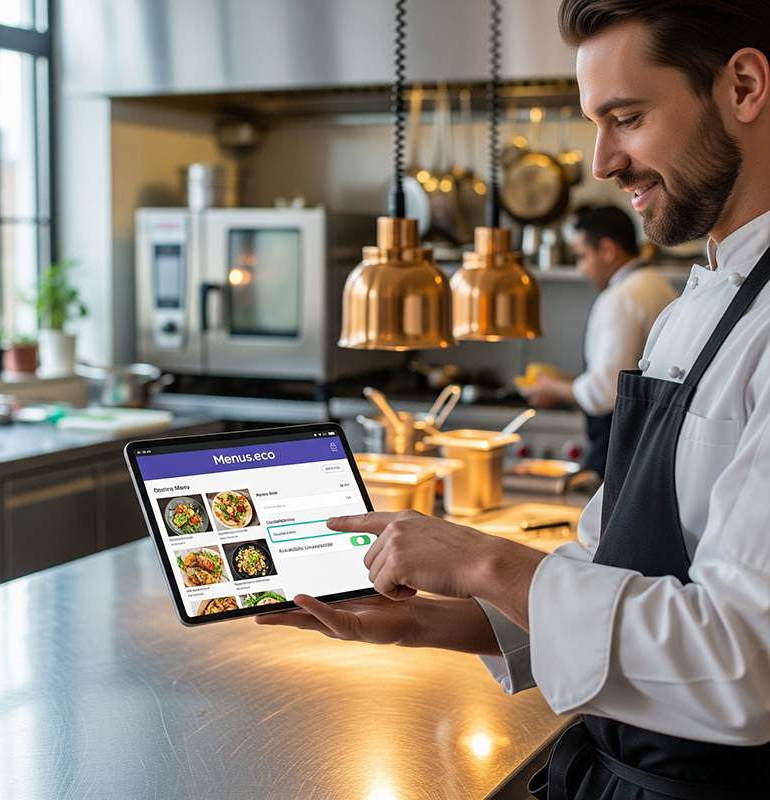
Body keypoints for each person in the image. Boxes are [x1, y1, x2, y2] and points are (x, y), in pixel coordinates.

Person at [259, 1, 770, 796]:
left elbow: (742, 664)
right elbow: (609, 569)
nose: (602, 162)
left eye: (626, 118)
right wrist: (429, 621)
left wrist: (483, 558)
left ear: (743, 86)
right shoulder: (688, 313)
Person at [519, 205, 677, 476]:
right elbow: (628, 375)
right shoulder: (657, 285)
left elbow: (604, 392)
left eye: (582, 256)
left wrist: (553, 388)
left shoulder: (620, 298)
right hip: (653, 444)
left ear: (607, 250)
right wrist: (563, 380)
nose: (581, 269)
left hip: (623, 449)